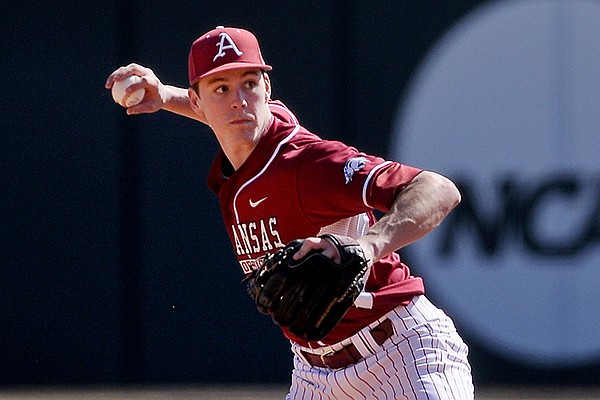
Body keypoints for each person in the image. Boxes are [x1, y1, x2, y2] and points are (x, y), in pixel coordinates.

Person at [105, 26, 474, 400]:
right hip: (314, 374)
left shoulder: (308, 164)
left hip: (401, 353)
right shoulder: (246, 157)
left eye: (249, 83)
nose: (239, 101)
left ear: (267, 89)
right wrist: (166, 96)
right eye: (221, 88)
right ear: (197, 101)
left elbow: (439, 189)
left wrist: (368, 245)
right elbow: (231, 118)